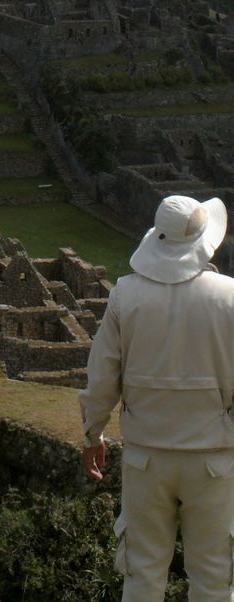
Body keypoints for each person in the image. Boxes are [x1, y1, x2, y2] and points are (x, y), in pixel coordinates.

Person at [80, 195, 234, 602]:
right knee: (214, 579)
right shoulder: (229, 298)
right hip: (214, 459)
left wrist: (92, 434)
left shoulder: (126, 296)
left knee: (143, 575)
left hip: (145, 458)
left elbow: (102, 377)